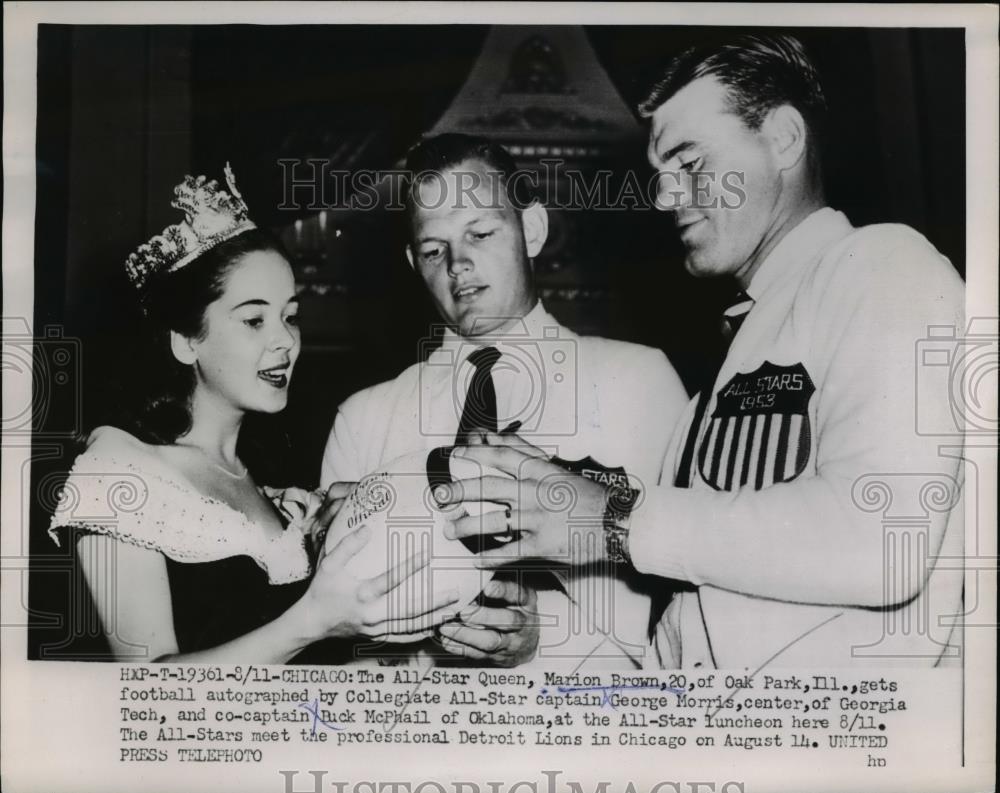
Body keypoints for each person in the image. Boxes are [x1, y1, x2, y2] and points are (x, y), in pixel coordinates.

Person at [441, 34, 965, 668]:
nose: (664, 197)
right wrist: (562, 493)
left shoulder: (882, 267)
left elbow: (886, 541)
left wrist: (613, 516)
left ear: (783, 139)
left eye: (690, 164)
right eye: (660, 176)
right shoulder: (726, 363)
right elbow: (690, 618)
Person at [49, 165, 461, 662]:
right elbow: (143, 691)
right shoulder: (116, 469)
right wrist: (313, 620)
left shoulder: (272, 485)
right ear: (185, 341)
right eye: (254, 319)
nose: (285, 340)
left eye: (290, 316)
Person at [321, 134, 687, 668]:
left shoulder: (639, 381)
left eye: (481, 232)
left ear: (531, 230)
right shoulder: (363, 419)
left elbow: (686, 606)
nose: (457, 264)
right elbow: (341, 646)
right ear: (411, 261)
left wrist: (546, 636)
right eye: (433, 249)